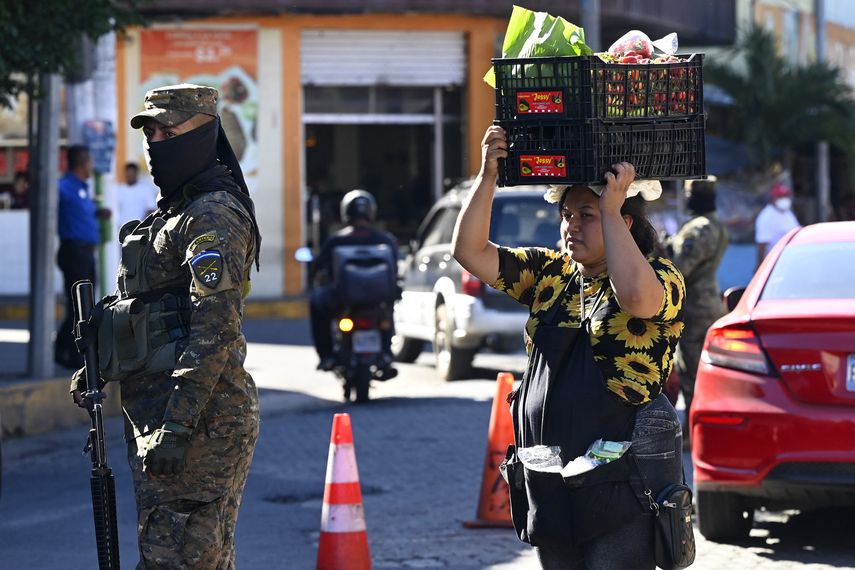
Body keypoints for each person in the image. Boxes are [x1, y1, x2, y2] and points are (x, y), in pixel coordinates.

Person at [453, 126, 685, 568]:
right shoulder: (551, 273)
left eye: (586, 215)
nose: (570, 225)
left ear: (623, 220)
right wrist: (487, 176)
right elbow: (469, 251)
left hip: (622, 484)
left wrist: (611, 210)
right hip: (549, 479)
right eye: (566, 214)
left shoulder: (661, 274)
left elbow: (637, 300)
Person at [69, 83, 262, 569]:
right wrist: (101, 357)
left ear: (201, 135)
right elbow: (151, 308)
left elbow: (216, 331)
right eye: (150, 132)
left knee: (176, 562)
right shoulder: (175, 210)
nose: (156, 143)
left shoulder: (211, 214)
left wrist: (177, 425)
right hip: (160, 418)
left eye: (167, 131)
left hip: (200, 424)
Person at [309, 189, 399, 376]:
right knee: (388, 310)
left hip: (342, 300)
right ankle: (386, 352)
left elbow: (317, 268)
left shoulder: (336, 240)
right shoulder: (385, 240)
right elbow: (395, 271)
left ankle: (326, 356)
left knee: (316, 303)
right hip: (378, 301)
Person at [668, 177, 729, 442]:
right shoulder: (716, 225)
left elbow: (680, 268)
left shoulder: (698, 228)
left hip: (694, 308)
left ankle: (694, 436)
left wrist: (665, 250)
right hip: (709, 304)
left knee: (692, 373)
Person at [55, 145, 109, 369]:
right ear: (81, 162)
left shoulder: (82, 189)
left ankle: (62, 350)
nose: (92, 167)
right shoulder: (63, 186)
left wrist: (97, 213)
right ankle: (70, 353)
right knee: (79, 306)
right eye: (89, 162)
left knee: (84, 305)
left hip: (86, 252)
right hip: (74, 252)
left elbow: (80, 214)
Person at [755, 183, 800, 268]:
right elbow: (762, 245)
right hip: (776, 263)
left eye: (786, 196)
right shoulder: (766, 217)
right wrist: (760, 267)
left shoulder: (787, 213)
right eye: (781, 197)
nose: (784, 199)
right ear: (773, 199)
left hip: (791, 259)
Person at [115, 161, 157, 226]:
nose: (130, 176)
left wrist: (142, 225)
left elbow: (151, 209)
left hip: (139, 228)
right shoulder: (119, 189)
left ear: (136, 174)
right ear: (125, 174)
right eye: (128, 174)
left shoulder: (146, 189)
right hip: (122, 228)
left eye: (132, 174)